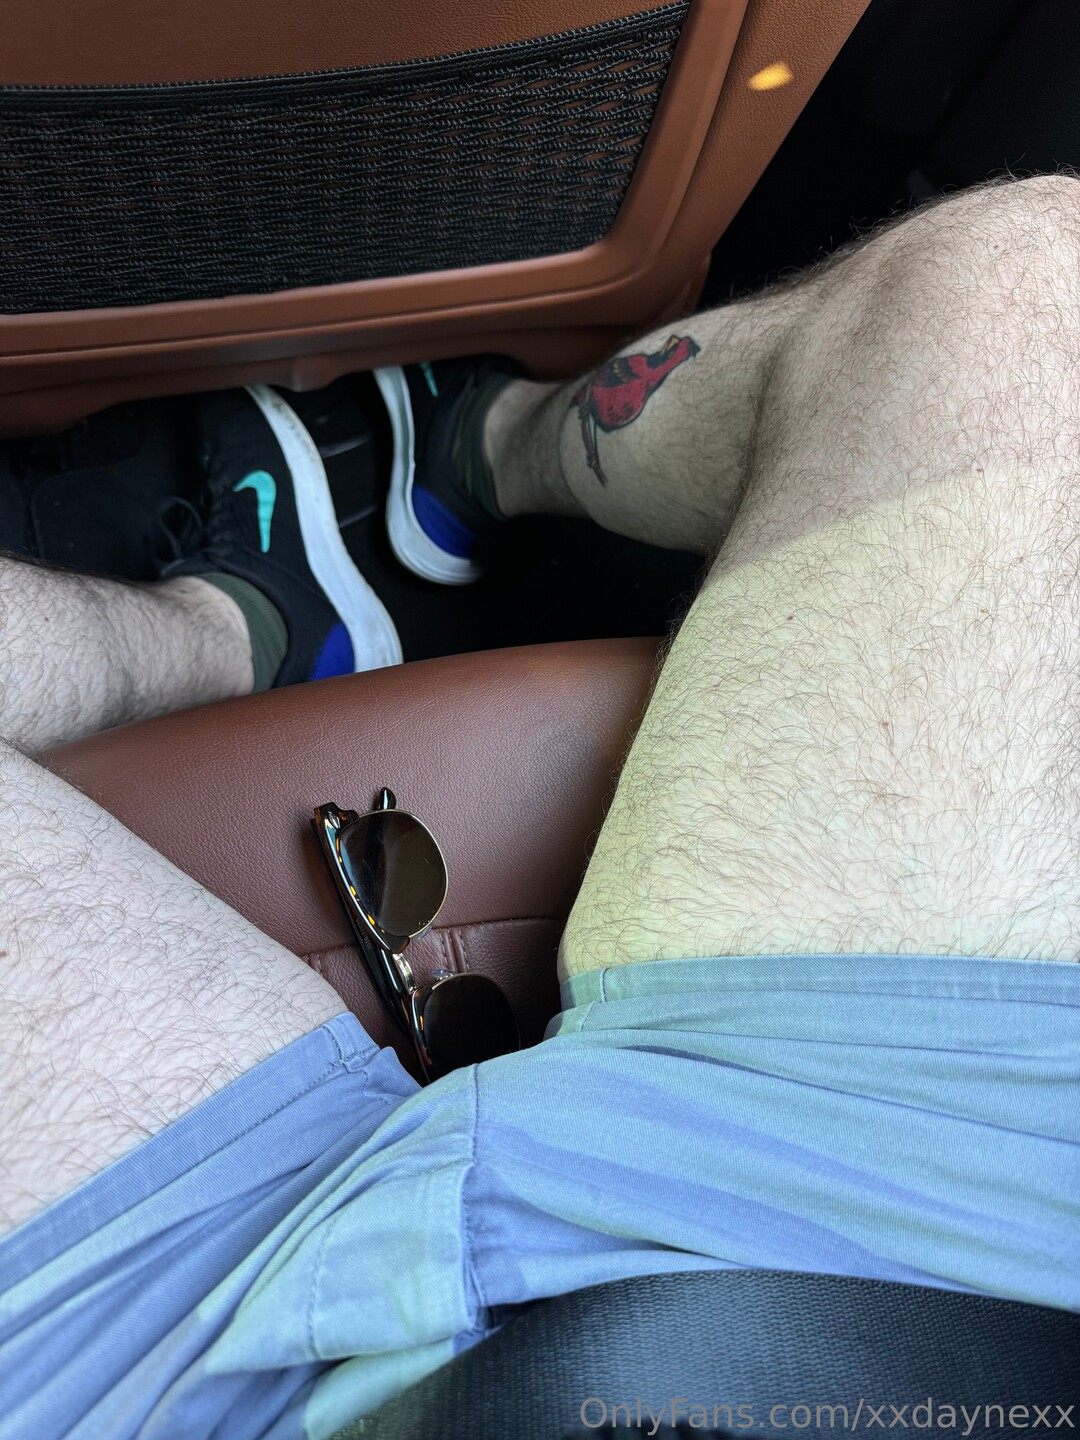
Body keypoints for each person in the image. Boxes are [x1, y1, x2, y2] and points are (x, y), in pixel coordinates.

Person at [1, 176, 1077, 1440]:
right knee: (1025, 285)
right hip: (944, 1264)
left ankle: (242, 628)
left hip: (223, 1395)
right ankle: (475, 452)